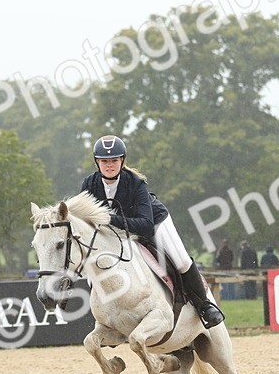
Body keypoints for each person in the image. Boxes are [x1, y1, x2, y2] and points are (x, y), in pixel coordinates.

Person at [80, 134, 225, 328]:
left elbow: (146, 225)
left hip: (154, 222)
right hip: (116, 233)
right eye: (104, 161)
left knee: (180, 259)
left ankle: (204, 306)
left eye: (114, 160)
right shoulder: (89, 185)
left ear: (122, 161)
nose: (109, 165)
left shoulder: (136, 183)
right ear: (97, 162)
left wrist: (111, 219)